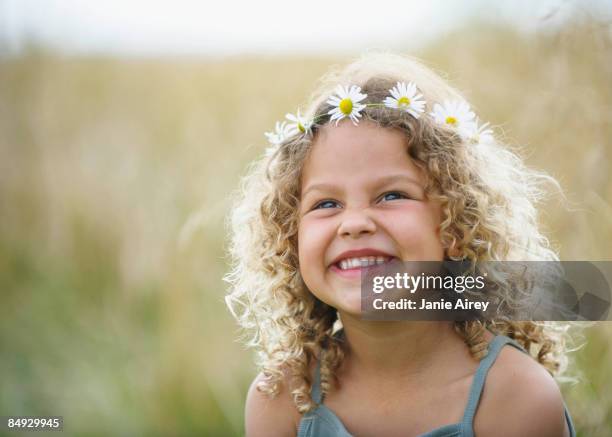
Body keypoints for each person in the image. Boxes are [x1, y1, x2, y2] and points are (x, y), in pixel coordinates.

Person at [225, 52, 576, 436]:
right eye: (326, 204)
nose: (355, 223)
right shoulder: (281, 399)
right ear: (290, 241)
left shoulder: (515, 398)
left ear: (454, 224)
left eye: (391, 195)